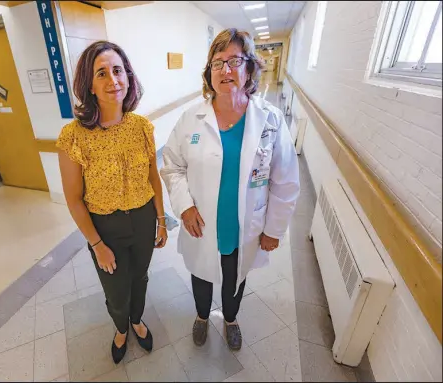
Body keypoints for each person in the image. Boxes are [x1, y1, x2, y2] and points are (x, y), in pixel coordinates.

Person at [160, 28, 300, 351]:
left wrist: (274, 229)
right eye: (217, 63)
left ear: (249, 67)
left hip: (244, 228)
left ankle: (231, 319)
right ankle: (201, 316)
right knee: (200, 274)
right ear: (208, 73)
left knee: (235, 279)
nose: (225, 70)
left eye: (234, 61)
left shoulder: (271, 121)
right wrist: (183, 206)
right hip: (202, 224)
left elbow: (286, 180)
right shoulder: (190, 120)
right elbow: (172, 165)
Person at [56, 41, 168, 364]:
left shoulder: (142, 127)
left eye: (118, 71)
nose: (112, 80)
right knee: (116, 289)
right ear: (89, 85)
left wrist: (161, 220)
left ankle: (137, 320)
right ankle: (121, 326)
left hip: (144, 218)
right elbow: (74, 200)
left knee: (140, 278)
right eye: (101, 73)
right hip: (105, 227)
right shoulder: (73, 137)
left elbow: (153, 178)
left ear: (128, 77)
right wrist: (97, 244)